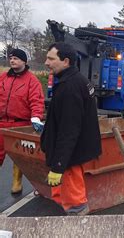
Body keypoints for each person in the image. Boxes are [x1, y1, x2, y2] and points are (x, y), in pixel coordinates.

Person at [41, 42, 101, 216]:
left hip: (69, 160)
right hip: (69, 156)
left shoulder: (71, 86)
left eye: (51, 59)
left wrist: (58, 166)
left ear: (65, 61)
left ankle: (77, 229)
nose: (46, 62)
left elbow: (69, 130)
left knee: (75, 205)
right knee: (64, 200)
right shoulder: (74, 80)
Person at [0, 48, 45, 194]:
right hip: (1, 122)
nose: (12, 60)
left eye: (16, 58)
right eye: (11, 58)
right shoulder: (3, 78)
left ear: (24, 61)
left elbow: (37, 101)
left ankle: (16, 182)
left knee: (18, 155)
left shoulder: (32, 81)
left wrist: (36, 117)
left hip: (20, 124)